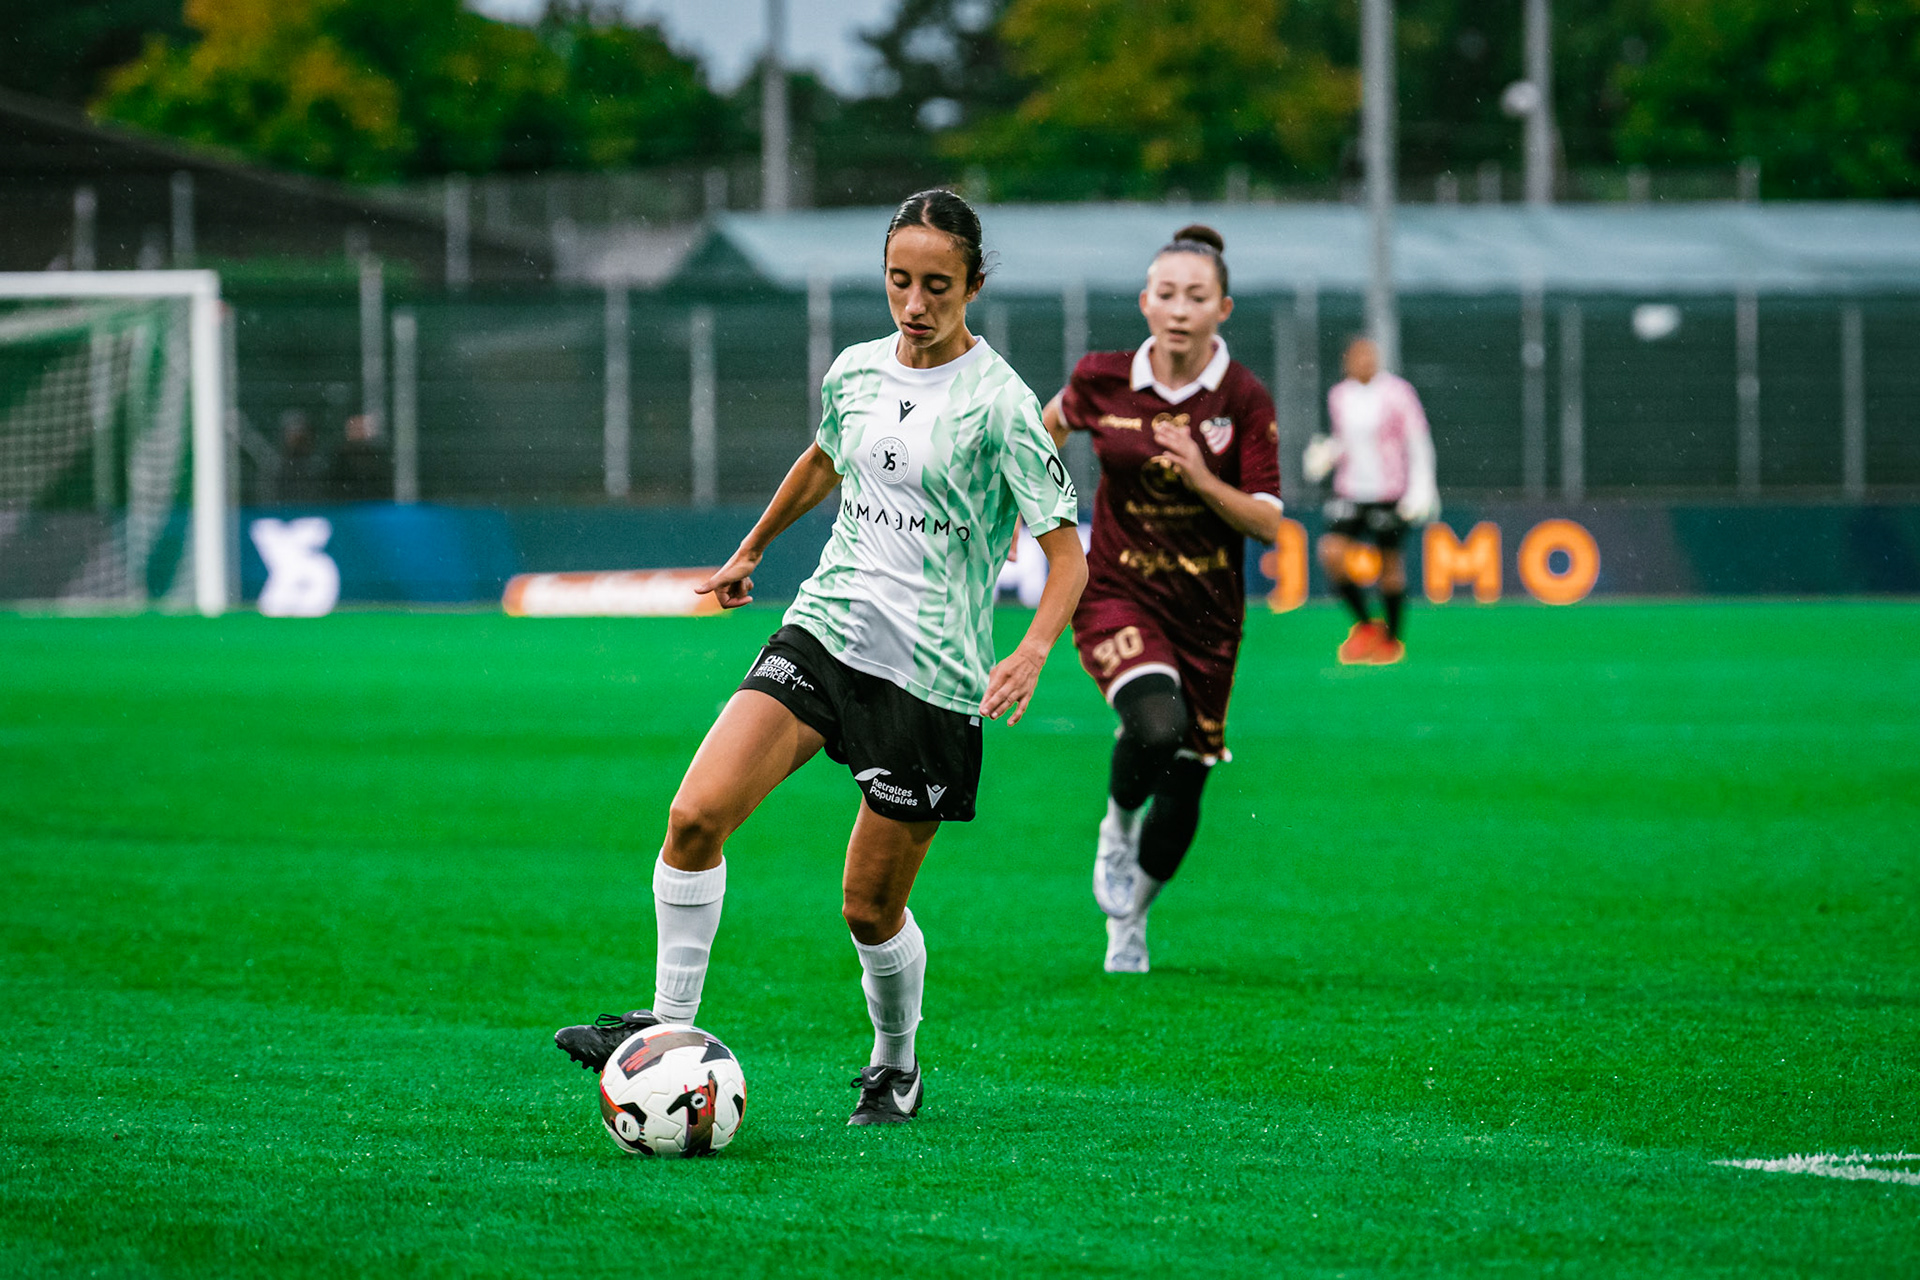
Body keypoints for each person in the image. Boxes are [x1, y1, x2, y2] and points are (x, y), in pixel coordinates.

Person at [553, 190, 1086, 1125]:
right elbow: (824, 458)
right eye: (898, 282)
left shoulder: (1001, 406)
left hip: (929, 676)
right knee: (693, 817)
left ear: (973, 286)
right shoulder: (855, 371)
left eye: (936, 287)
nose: (914, 304)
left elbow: (1068, 556)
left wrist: (1035, 649)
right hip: (827, 629)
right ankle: (667, 1027)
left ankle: (896, 1063)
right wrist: (752, 547)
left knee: (867, 909)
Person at [1041, 225, 1282, 975]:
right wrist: (1036, 512)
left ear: (1224, 308)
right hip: (1117, 589)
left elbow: (1269, 522)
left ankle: (1132, 918)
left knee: (1189, 769)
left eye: (1197, 297)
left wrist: (1204, 479)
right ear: (1146, 302)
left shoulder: (1241, 397)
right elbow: (1039, 433)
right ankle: (1116, 828)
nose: (1180, 308)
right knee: (1154, 725)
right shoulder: (1103, 378)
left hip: (1209, 611)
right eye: (1168, 294)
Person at [1303, 335, 1439, 665]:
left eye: (1370, 355)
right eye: (1358, 356)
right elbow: (1345, 440)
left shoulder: (1397, 392)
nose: (1364, 361)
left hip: (1390, 492)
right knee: (1330, 553)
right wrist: (1328, 454)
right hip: (1351, 491)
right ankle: (1365, 626)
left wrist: (1422, 490)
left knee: (1389, 566)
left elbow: (1417, 441)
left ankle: (1392, 640)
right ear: (1347, 360)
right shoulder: (1340, 395)